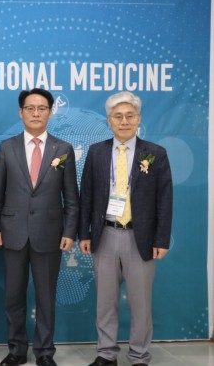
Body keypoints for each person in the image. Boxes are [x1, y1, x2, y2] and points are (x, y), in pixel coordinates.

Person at [79, 91, 173, 366]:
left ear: (138, 119)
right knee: (105, 301)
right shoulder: (96, 152)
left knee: (140, 302)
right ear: (109, 120)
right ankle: (106, 354)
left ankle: (139, 355)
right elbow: (87, 195)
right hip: (104, 235)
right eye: (118, 116)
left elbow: (165, 199)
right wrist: (84, 233)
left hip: (140, 237)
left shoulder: (155, 153)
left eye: (129, 116)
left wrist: (161, 239)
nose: (124, 121)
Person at [0, 88, 79, 366]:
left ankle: (44, 351)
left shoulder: (62, 149)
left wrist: (69, 232)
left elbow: (71, 197)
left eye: (42, 108)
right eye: (30, 108)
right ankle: (16, 350)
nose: (36, 113)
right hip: (12, 232)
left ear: (50, 112)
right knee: (13, 296)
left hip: (49, 234)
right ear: (21, 113)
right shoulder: (6, 147)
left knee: (46, 296)